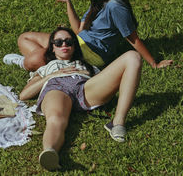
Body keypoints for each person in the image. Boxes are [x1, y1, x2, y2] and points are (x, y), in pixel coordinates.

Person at [3, 0, 173, 71]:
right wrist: (68, 1)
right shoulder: (98, 3)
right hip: (78, 42)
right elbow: (78, 30)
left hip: (93, 54)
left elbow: (132, 38)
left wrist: (154, 63)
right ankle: (52, 64)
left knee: (34, 58)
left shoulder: (115, 5)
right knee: (23, 38)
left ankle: (35, 63)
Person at [19, 26, 142, 171]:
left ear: (74, 45)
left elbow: (107, 83)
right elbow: (24, 95)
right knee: (56, 118)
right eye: (58, 42)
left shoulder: (88, 65)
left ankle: (117, 122)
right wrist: (52, 75)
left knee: (133, 56)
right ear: (52, 48)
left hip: (86, 87)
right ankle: (50, 152)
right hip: (57, 87)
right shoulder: (46, 67)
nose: (63, 45)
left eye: (68, 41)